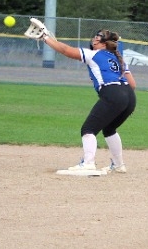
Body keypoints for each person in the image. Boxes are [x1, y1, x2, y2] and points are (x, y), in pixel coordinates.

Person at [30, 22, 136, 173]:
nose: (94, 39)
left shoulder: (93, 54)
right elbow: (132, 84)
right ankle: (119, 165)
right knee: (109, 128)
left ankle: (88, 163)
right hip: (130, 97)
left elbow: (66, 51)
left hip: (114, 94)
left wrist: (45, 38)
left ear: (104, 43)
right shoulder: (118, 59)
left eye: (97, 37)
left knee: (88, 129)